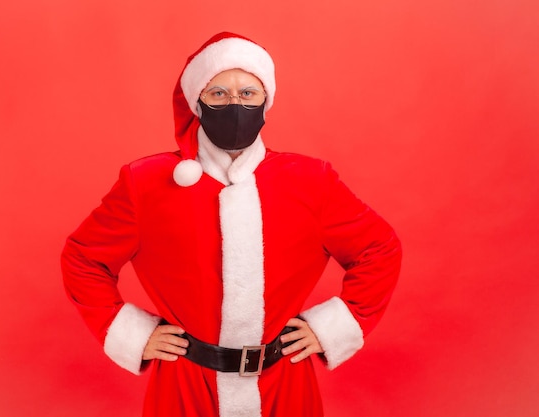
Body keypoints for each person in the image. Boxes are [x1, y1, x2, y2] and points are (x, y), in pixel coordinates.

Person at [61, 32, 402, 417]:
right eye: (219, 93)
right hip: (185, 386)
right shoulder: (146, 182)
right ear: (198, 104)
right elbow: (83, 258)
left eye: (248, 93)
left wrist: (332, 326)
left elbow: (379, 249)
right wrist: (133, 333)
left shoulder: (311, 180)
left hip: (285, 385)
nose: (235, 104)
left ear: (266, 103)